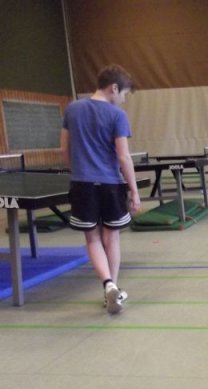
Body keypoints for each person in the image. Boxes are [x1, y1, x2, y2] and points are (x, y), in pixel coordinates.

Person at [60, 64, 141, 314]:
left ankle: (108, 286)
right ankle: (111, 288)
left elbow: (64, 149)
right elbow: (123, 157)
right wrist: (135, 191)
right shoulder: (117, 115)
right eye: (124, 94)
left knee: (92, 238)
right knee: (112, 237)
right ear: (114, 88)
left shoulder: (72, 109)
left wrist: (78, 171)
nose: (123, 100)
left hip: (82, 184)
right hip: (110, 184)